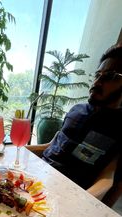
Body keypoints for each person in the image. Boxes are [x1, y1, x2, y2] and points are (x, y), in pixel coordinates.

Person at [27, 44, 122, 200]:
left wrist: (81, 202)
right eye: (98, 75)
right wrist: (14, 150)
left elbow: (109, 179)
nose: (97, 82)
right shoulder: (77, 110)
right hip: (36, 176)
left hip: (65, 194)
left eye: (109, 76)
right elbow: (50, 146)